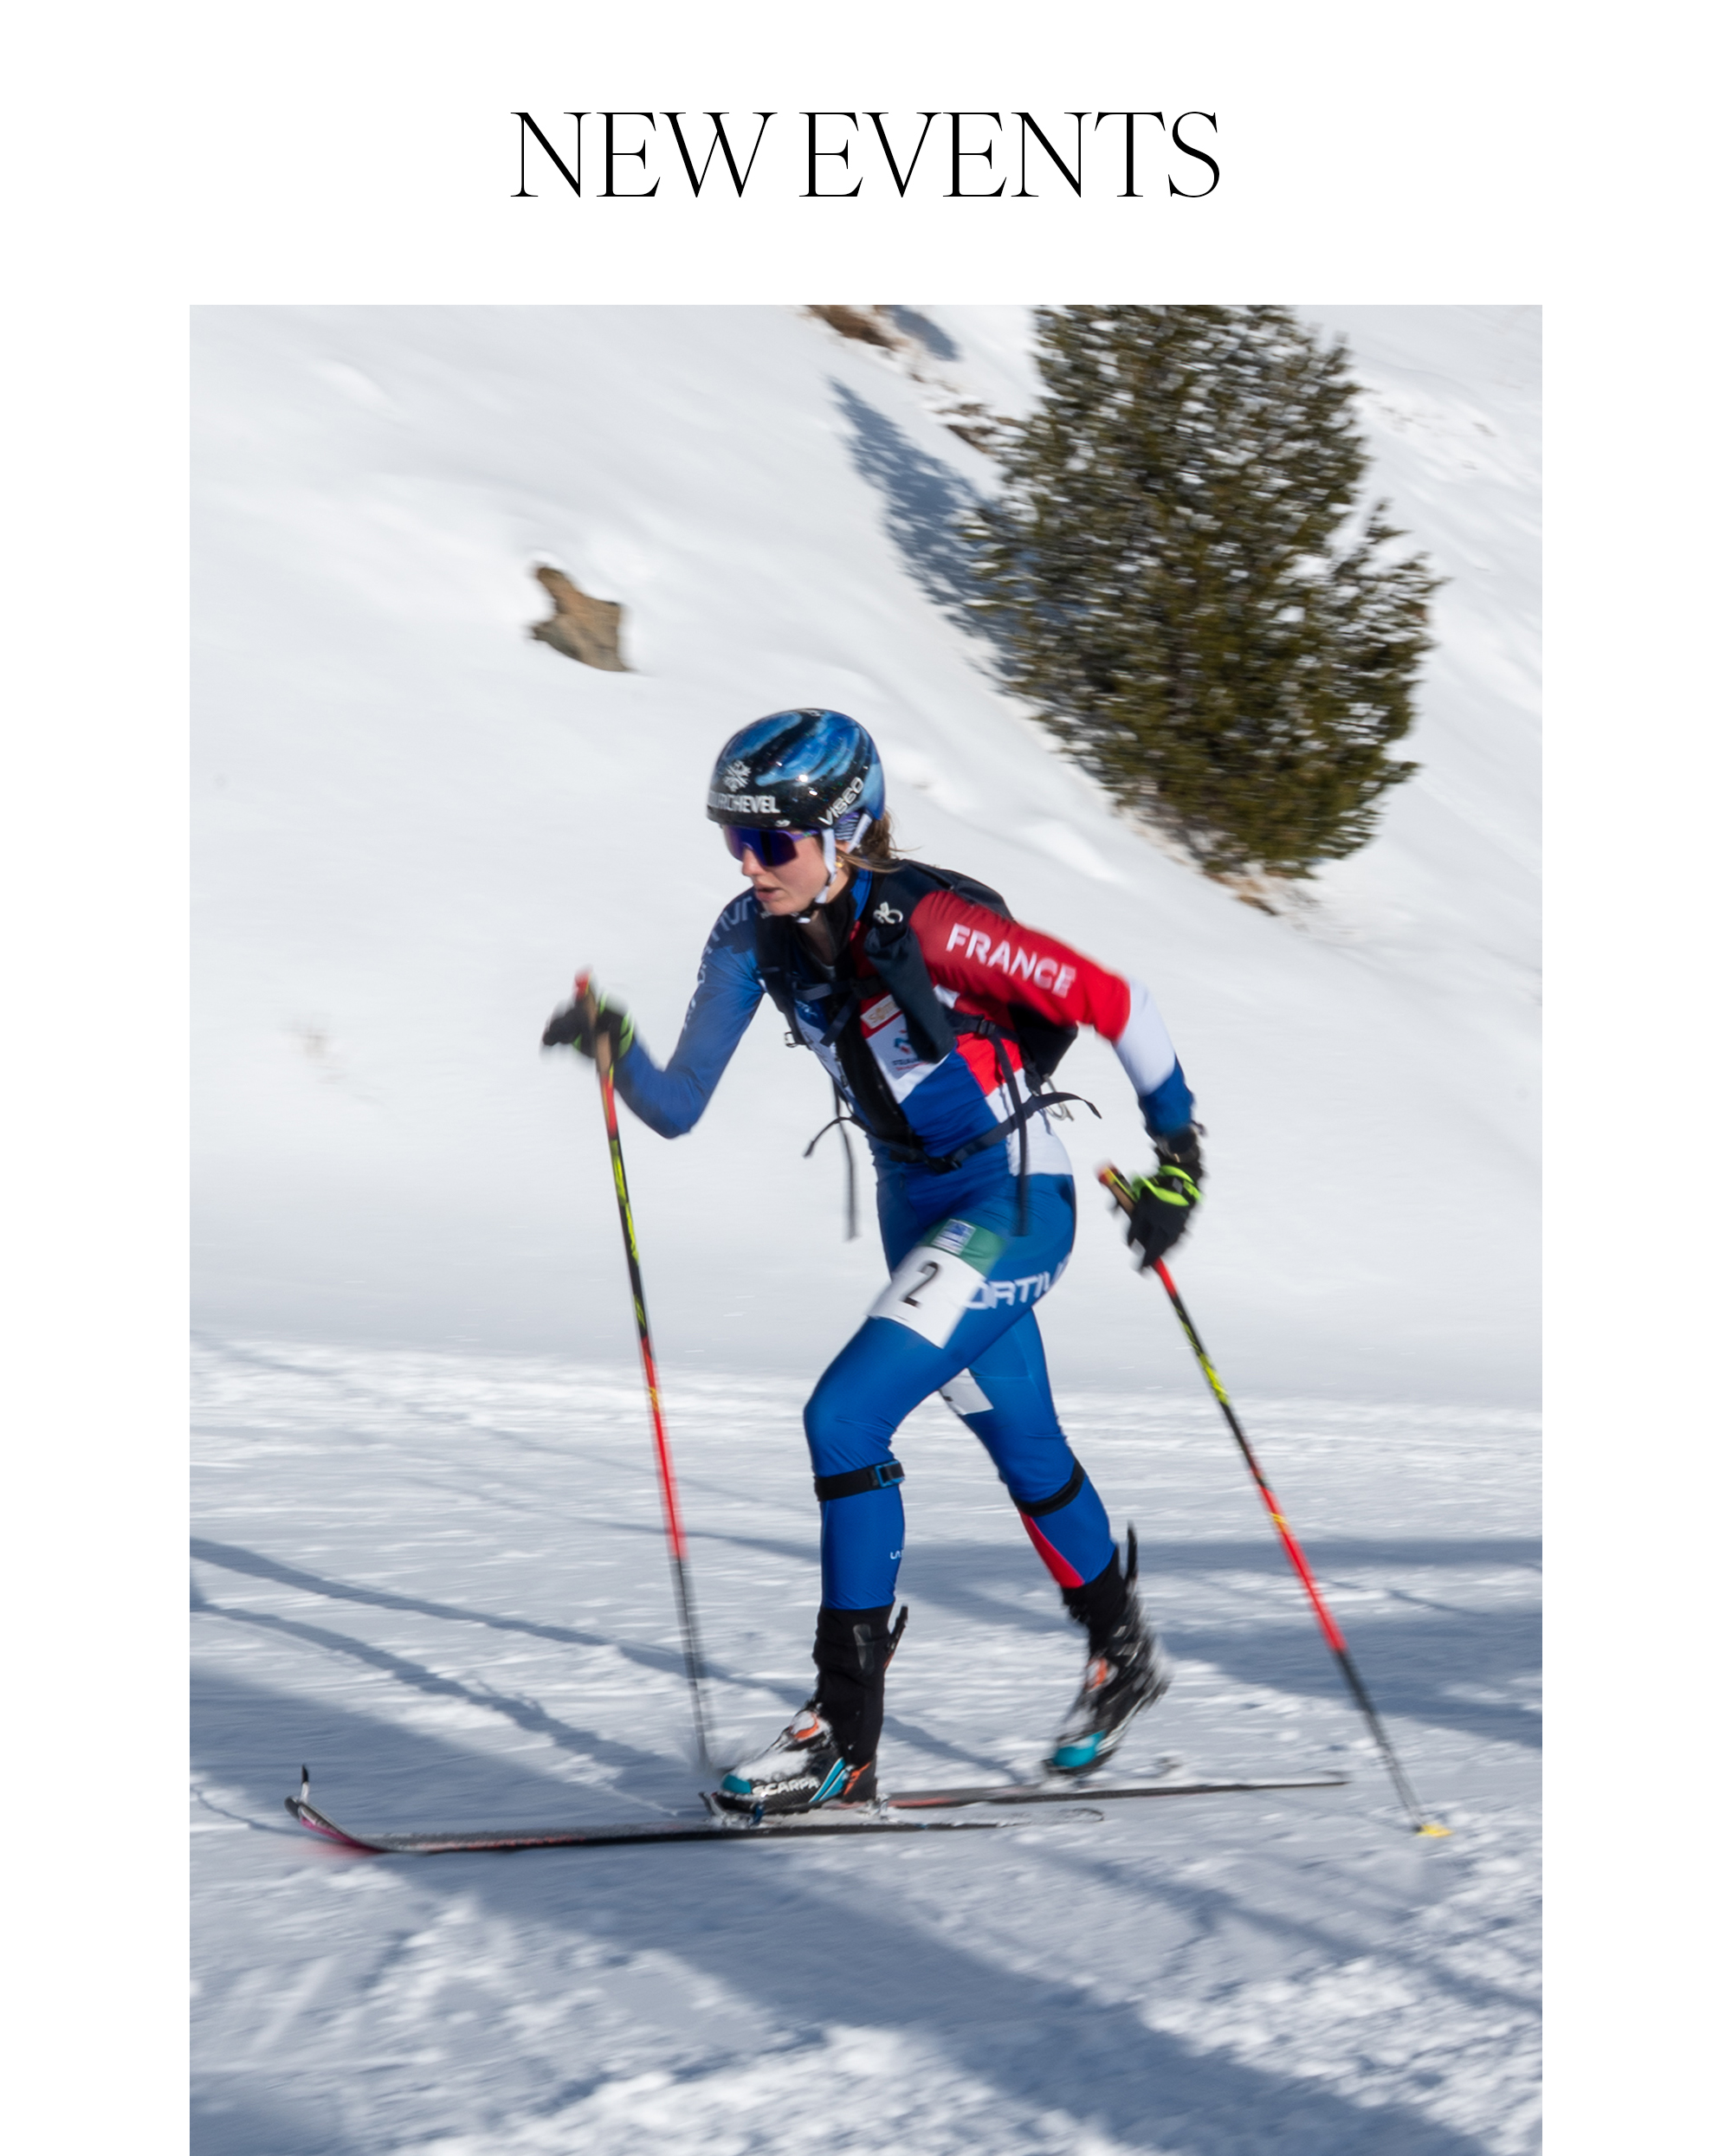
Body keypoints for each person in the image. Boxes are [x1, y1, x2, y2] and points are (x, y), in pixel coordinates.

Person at [543, 709, 1205, 1811]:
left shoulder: (930, 922)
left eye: (773, 842)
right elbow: (679, 1105)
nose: (750, 866)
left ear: (842, 829)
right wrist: (615, 1047)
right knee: (1026, 1447)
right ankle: (1121, 1652)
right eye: (733, 841)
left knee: (843, 1417)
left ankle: (840, 1735)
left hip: (1011, 1199)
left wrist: (1175, 1155)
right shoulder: (747, 935)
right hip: (918, 1210)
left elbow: (1111, 1002)